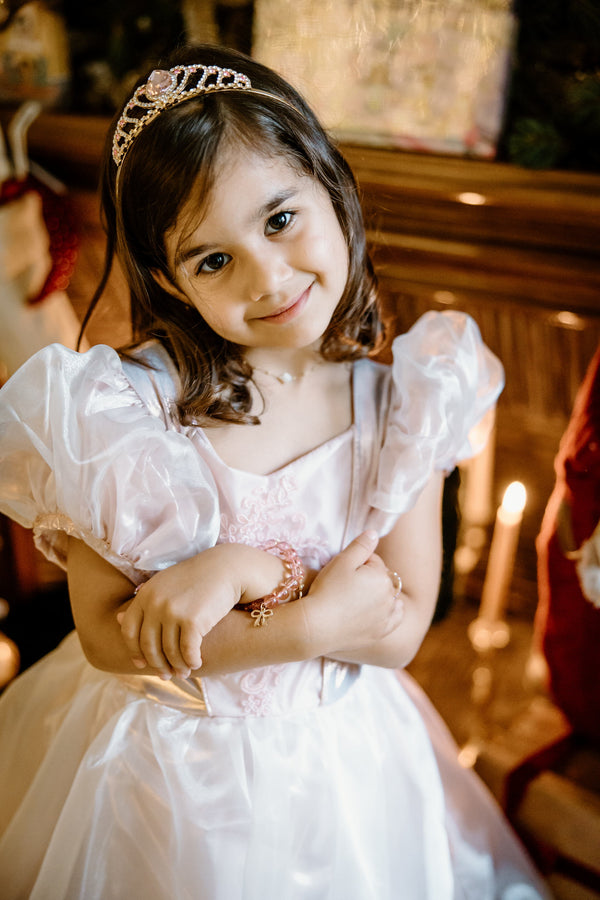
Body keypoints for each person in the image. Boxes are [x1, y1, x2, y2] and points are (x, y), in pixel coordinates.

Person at [0, 43, 550, 900]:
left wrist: (253, 585)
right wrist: (296, 601)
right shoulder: (123, 412)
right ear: (168, 279)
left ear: (332, 187)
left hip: (345, 763)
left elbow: (400, 631)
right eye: (212, 259)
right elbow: (111, 638)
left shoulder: (402, 403)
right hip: (164, 773)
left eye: (280, 219)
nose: (270, 276)